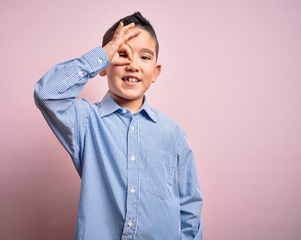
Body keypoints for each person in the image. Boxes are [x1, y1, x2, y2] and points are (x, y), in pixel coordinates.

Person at [34, 11, 203, 240]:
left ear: (155, 72)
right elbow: (47, 94)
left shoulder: (172, 133)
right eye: (122, 54)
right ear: (105, 66)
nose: (133, 65)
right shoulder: (86, 122)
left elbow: (189, 206)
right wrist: (103, 53)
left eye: (144, 57)